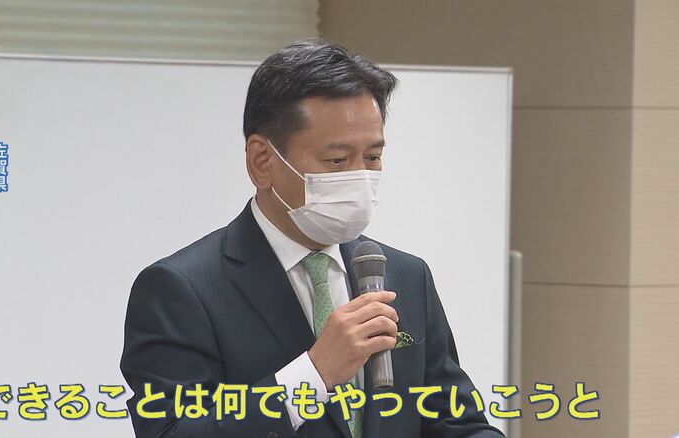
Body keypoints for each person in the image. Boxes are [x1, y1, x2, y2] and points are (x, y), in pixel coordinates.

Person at [120, 38, 504, 438]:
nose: (360, 177)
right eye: (337, 160)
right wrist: (313, 374)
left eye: (372, 157)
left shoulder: (405, 276)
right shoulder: (181, 289)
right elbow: (171, 431)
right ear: (262, 161)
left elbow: (458, 425)